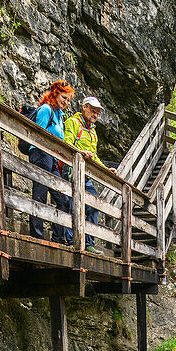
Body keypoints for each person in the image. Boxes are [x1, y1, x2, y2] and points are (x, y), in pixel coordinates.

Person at [63, 96, 112, 251]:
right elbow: (66, 142)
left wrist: (105, 169)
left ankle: (89, 243)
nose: (95, 115)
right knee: (71, 204)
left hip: (86, 176)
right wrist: (80, 152)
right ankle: (70, 241)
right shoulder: (73, 122)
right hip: (71, 171)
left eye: (97, 113)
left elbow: (94, 156)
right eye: (92, 110)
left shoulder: (93, 132)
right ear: (84, 107)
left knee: (93, 205)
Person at [28, 80, 74, 242]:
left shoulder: (59, 117)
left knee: (63, 199)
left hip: (52, 159)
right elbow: (37, 134)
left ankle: (58, 239)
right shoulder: (46, 110)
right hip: (41, 154)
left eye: (69, 100)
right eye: (64, 97)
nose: (66, 102)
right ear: (55, 94)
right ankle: (37, 236)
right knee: (40, 194)